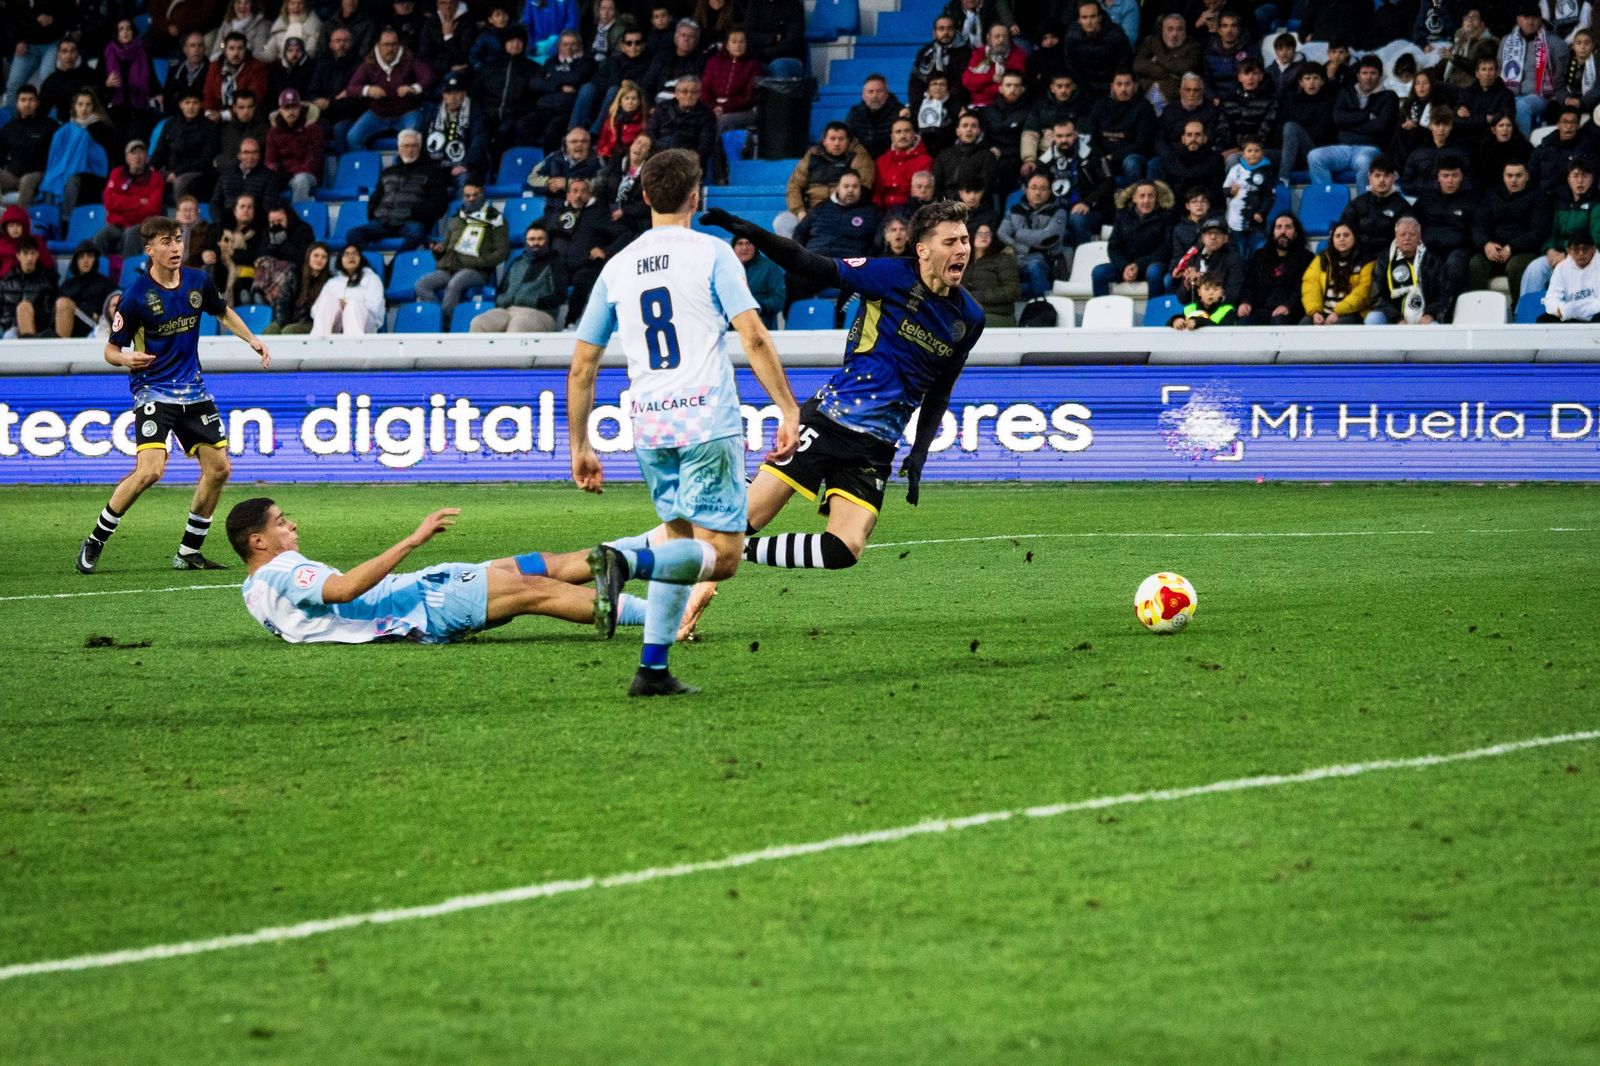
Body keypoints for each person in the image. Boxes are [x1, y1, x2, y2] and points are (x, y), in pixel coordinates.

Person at [568, 148, 802, 696]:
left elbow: (583, 365)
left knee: (678, 537)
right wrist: (788, 409)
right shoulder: (713, 253)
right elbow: (754, 336)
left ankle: (652, 669)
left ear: (645, 197)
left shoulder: (617, 267)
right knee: (723, 556)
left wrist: (580, 443)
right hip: (707, 421)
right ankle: (624, 558)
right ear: (697, 196)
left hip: (650, 425)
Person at [689, 198, 982, 632]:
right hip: (828, 420)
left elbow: (941, 389)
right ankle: (670, 573)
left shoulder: (969, 318)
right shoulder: (888, 275)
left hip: (877, 446)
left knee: (844, 548)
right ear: (922, 249)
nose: (962, 249)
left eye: (965, 240)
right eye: (950, 241)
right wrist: (750, 230)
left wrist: (919, 454)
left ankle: (739, 554)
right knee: (740, 520)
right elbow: (811, 263)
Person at [75, 215, 272, 575]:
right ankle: (97, 538)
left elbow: (223, 312)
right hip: (153, 390)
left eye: (178, 240)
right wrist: (124, 357)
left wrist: (252, 339)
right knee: (150, 471)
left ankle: (189, 551)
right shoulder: (135, 298)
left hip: (194, 391)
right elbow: (109, 350)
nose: (175, 247)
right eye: (165, 242)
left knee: (219, 468)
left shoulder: (197, 281)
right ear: (149, 250)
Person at [229, 501, 618, 644]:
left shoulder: (253, 591)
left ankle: (633, 559)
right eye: (280, 523)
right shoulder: (281, 570)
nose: (292, 526)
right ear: (258, 542)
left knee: (529, 565)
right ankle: (662, 617)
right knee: (536, 588)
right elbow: (345, 589)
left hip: (419, 595)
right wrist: (412, 540)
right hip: (422, 605)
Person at [417, 183, 510, 327]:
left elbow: (502, 252)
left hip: (476, 271)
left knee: (455, 284)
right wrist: (438, 251)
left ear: (482, 194)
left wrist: (478, 261)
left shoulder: (495, 219)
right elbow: (444, 251)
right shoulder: (455, 219)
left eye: (475, 195)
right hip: (449, 268)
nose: (471, 199)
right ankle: (437, 321)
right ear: (462, 197)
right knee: (422, 285)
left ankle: (447, 326)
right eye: (467, 196)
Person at [346, 130, 451, 251]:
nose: (410, 150)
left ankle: (394, 265)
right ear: (399, 148)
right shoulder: (388, 171)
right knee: (353, 234)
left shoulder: (433, 172)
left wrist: (414, 212)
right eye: (406, 146)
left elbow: (439, 206)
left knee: (417, 234)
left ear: (420, 147)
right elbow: (375, 199)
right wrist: (375, 215)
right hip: (383, 222)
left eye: (414, 145)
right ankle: (371, 262)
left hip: (410, 223)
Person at [789, 170, 882, 304]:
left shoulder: (873, 213)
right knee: (792, 277)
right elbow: (800, 232)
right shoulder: (821, 208)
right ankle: (795, 321)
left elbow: (877, 244)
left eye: (855, 186)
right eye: (846, 186)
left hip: (847, 267)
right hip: (817, 262)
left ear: (860, 189)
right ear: (838, 188)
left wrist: (863, 262)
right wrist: (801, 255)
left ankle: (841, 320)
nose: (850, 190)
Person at [1308, 55, 1399, 191]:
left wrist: (1349, 124)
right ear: (1358, 75)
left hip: (1370, 149)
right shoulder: (1346, 92)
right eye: (1364, 73)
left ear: (1380, 75)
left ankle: (1364, 207)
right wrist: (1367, 115)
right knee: (1315, 156)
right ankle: (1328, 201)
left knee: (1364, 162)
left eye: (1373, 73)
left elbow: (1380, 126)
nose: (1368, 77)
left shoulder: (1389, 96)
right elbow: (1338, 119)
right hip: (1342, 148)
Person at [343, 28, 434, 151]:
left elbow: (428, 77)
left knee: (412, 138)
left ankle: (403, 167)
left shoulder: (409, 60)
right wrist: (368, 90)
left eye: (393, 44)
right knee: (353, 138)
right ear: (378, 46)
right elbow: (351, 88)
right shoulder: (369, 63)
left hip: (406, 113)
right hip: (377, 114)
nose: (390, 49)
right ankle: (371, 168)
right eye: (386, 45)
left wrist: (412, 88)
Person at [1468, 159, 1550, 294]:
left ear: (1527, 176)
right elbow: (1479, 224)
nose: (1514, 180)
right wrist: (1486, 244)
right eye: (1509, 175)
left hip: (1523, 250)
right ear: (1503, 177)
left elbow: (1539, 232)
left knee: (1516, 267)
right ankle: (1480, 309)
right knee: (1475, 264)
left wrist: (1511, 247)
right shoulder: (1491, 195)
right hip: (1494, 249)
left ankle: (1517, 311)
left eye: (1518, 175)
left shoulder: (1538, 196)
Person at [1519, 158, 1599, 298]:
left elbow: (1596, 238)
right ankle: (1527, 315)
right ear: (1568, 179)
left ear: (1592, 179)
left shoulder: (1596, 204)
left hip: (1584, 256)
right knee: (1535, 269)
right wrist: (1550, 250)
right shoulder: (1559, 203)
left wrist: (1570, 256)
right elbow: (1550, 232)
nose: (1580, 180)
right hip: (1558, 255)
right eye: (1575, 175)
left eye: (1585, 176)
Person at [469, 221, 567, 331]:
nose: (536, 243)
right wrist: (504, 299)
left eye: (540, 239)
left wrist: (533, 301)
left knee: (518, 325)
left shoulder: (555, 262)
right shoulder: (517, 262)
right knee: (478, 323)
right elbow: (501, 290)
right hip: (508, 309)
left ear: (547, 241)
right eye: (532, 239)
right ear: (526, 241)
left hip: (540, 313)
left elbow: (560, 295)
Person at [783, 123, 877, 233]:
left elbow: (862, 188)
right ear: (824, 141)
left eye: (841, 139)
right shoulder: (812, 155)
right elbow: (794, 185)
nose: (837, 143)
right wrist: (800, 212)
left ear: (848, 141)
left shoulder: (858, 156)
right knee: (782, 223)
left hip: (843, 211)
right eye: (832, 139)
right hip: (811, 210)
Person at [1412, 155, 1479, 306]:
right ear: (1438, 177)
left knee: (1453, 265)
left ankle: (1450, 309)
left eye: (1454, 175)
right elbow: (1413, 225)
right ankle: (1425, 310)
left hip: (1459, 249)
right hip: (1430, 248)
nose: (1450, 180)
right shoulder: (1425, 200)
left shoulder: (1473, 200)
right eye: (1445, 176)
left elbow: (1477, 229)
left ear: (1461, 177)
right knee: (1424, 265)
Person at [92, 139, 168, 263]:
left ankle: (128, 275)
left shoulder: (156, 178)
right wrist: (139, 202)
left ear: (147, 157)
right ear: (127, 157)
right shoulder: (117, 174)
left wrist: (122, 206)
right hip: (117, 224)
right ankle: (101, 275)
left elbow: (153, 209)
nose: (137, 157)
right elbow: (109, 203)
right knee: (99, 238)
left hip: (142, 226)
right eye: (133, 153)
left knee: (131, 234)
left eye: (141, 153)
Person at [1094, 179, 1174, 294]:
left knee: (1154, 272)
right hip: (1126, 267)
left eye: (1150, 196)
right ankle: (1103, 310)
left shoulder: (1166, 217)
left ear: (1156, 198)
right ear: (1134, 198)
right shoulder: (1122, 216)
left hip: (1152, 265)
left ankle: (1154, 310)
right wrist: (1124, 267)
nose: (1146, 200)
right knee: (1099, 272)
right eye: (1142, 196)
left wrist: (1138, 265)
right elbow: (1113, 246)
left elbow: (1166, 249)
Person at [1500, 3, 1568, 135]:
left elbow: (1560, 75)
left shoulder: (1554, 43)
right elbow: (1500, 69)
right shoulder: (1506, 41)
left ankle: (1522, 148)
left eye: (1535, 18)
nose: (1530, 22)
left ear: (1540, 19)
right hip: (1510, 93)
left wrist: (1555, 94)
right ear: (1518, 20)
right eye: (1526, 17)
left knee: (1520, 106)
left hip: (1540, 95)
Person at [998, 172, 1068, 299]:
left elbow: (1047, 239)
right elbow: (1002, 234)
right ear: (1026, 190)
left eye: (1043, 188)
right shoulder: (1014, 210)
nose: (1037, 193)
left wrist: (1018, 233)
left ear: (1049, 191)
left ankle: (1041, 305)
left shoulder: (1059, 212)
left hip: (1047, 262)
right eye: (1034, 188)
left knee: (1035, 265)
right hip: (1018, 258)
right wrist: (1023, 248)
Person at [1085, 69, 1157, 185]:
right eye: (1119, 84)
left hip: (1131, 155)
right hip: (1102, 154)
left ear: (1135, 85)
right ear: (1112, 86)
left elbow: (1142, 144)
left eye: (1127, 84)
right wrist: (1101, 155)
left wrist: (1113, 156)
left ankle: (1128, 198)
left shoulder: (1144, 107)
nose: (1123, 89)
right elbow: (1089, 135)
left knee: (1131, 163)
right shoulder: (1100, 105)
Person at [1239, 212, 1313, 325]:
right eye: (1279, 227)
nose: (1283, 232)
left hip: (1291, 311)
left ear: (1296, 233)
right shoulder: (1259, 256)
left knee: (1279, 321)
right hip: (1261, 310)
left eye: (1288, 227)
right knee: (1244, 322)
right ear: (1273, 232)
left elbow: (1302, 288)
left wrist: (1288, 305)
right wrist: (1245, 302)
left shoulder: (1306, 258)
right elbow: (1249, 283)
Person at [1301, 220, 1374, 324]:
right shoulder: (1322, 259)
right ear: (1332, 240)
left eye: (1346, 235)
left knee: (1340, 325)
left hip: (1353, 313)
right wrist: (1315, 312)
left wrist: (1337, 312)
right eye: (1337, 236)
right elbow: (1310, 286)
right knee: (1305, 323)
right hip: (1323, 313)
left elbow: (1363, 292)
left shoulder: (1366, 261)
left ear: (1355, 237)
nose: (1341, 239)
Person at [1339, 156, 1408, 264]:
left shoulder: (1403, 207)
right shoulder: (1356, 204)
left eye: (1386, 175)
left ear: (1393, 178)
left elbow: (1406, 240)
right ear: (1369, 177)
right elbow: (1345, 231)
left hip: (1389, 262)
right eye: (1377, 175)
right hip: (1358, 260)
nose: (1382, 180)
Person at [0, 86, 58, 208]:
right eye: (23, 100)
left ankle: (21, 221)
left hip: (38, 174)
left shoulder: (50, 126)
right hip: (13, 175)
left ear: (37, 103)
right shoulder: (9, 127)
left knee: (27, 180)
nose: (27, 104)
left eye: (31, 100)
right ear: (17, 103)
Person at [310, 242, 385, 335]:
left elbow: (375, 308)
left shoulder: (372, 278)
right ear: (341, 260)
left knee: (353, 305)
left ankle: (353, 346)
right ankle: (319, 341)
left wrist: (348, 305)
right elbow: (316, 310)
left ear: (360, 258)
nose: (351, 257)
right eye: (346, 254)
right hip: (337, 325)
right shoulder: (332, 282)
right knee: (328, 301)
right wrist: (337, 305)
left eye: (354, 254)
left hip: (364, 323)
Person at [264, 88, 325, 203]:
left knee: (300, 180)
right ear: (280, 110)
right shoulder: (273, 132)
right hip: (283, 174)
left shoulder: (313, 129)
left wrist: (290, 174)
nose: (291, 112)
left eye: (294, 107)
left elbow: (314, 163)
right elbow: (270, 161)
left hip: (308, 175)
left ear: (300, 108)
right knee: (264, 180)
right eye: (286, 108)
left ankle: (298, 217)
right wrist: (279, 173)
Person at [1062, 0, 1132, 97]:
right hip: (1084, 87)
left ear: (1100, 17)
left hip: (1112, 86)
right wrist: (1084, 88)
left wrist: (1114, 86)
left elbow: (1124, 63)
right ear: (1078, 20)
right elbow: (1071, 65)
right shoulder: (1072, 37)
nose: (1089, 21)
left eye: (1093, 16)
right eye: (1084, 17)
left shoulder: (1116, 35)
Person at [1134, 13, 1205, 105]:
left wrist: (1156, 59)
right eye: (1170, 29)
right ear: (1163, 30)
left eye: (1179, 29)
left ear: (1185, 31)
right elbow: (1138, 65)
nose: (1174, 34)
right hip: (1145, 89)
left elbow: (1186, 68)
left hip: (1172, 96)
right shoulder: (1151, 41)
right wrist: (1165, 72)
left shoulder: (1193, 47)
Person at [642, 75, 716, 161]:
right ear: (676, 94)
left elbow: (705, 146)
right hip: (658, 156)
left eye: (694, 92)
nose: (689, 95)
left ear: (699, 94)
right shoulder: (663, 108)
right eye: (684, 91)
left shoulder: (706, 115)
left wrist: (687, 159)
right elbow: (650, 132)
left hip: (685, 161)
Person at [211, 137, 282, 228]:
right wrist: (221, 224)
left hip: (255, 228)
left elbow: (268, 207)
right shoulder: (226, 174)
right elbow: (215, 203)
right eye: (246, 152)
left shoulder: (269, 177)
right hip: (226, 224)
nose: (250, 156)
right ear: (239, 155)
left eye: (254, 152)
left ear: (259, 155)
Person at [526, 125, 602, 209]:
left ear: (589, 143)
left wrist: (568, 184)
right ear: (566, 144)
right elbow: (532, 179)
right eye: (574, 141)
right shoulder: (553, 157)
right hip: (555, 209)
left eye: (584, 141)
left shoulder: (598, 160)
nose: (579, 145)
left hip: (586, 209)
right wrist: (549, 183)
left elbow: (602, 184)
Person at [1175, 216, 1245, 306]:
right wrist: (1187, 285)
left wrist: (1202, 280)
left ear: (1225, 238)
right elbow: (1182, 299)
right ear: (1202, 238)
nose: (1213, 237)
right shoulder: (1194, 258)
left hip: (1221, 309)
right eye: (1209, 233)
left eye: (1218, 233)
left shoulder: (1234, 259)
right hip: (1197, 310)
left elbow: (1233, 294)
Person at [909, 14, 971, 112]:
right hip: (927, 100)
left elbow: (962, 82)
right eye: (941, 29)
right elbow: (916, 81)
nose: (946, 32)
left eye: (949, 29)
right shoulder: (925, 52)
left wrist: (944, 98)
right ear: (934, 33)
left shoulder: (965, 52)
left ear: (954, 31)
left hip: (955, 103)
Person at [267, 239, 331, 333]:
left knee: (289, 331)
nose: (319, 260)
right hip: (290, 319)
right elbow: (284, 301)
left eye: (324, 257)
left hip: (311, 322)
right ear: (308, 256)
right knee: (271, 330)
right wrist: (283, 322)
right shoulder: (295, 274)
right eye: (316, 255)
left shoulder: (329, 282)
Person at [0, 235, 58, 337]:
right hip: (10, 329)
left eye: (33, 253)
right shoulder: (7, 280)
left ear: (38, 255)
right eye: (26, 254)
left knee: (24, 307)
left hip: (39, 330)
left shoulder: (48, 280)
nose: (30, 258)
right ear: (18, 255)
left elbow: (50, 311)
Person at [203, 32, 270, 120]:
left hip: (246, 117)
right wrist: (208, 112)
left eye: (240, 48)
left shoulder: (256, 68)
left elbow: (255, 98)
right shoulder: (215, 66)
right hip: (217, 114)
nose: (236, 53)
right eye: (231, 48)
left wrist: (224, 115)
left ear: (245, 49)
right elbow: (208, 93)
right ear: (225, 50)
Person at [964, 221, 1020, 326]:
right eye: (980, 233)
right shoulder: (964, 261)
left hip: (997, 314)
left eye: (988, 234)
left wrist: (979, 296)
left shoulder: (1003, 259)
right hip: (969, 313)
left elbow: (1013, 291)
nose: (984, 236)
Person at [55, 241, 114, 337]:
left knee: (63, 303)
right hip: (71, 325)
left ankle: (61, 349)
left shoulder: (106, 283)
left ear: (95, 259)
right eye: (81, 257)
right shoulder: (67, 285)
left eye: (90, 256)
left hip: (95, 327)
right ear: (76, 261)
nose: (85, 260)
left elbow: (115, 305)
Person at [875, 118, 934, 213]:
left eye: (907, 131)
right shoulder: (881, 161)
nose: (902, 136)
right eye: (898, 132)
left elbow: (922, 194)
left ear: (914, 135)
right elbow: (876, 193)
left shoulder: (925, 161)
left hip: (911, 211)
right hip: (882, 212)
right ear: (892, 137)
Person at [963, 23, 1027, 107]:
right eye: (997, 36)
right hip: (977, 104)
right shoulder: (980, 53)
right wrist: (991, 78)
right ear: (989, 38)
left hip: (1005, 105)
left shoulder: (1018, 54)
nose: (1001, 40)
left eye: (1005, 36)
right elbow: (967, 81)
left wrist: (978, 89)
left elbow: (1011, 87)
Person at [1539, 233, 1600, 320]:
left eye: (1585, 249)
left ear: (1593, 249)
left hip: (1593, 314)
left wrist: (1572, 310)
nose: (1581, 253)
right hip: (1569, 315)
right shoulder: (1561, 268)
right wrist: (1559, 309)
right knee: (1544, 319)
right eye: (1576, 249)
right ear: (1568, 250)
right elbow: (1551, 298)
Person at [847, 74, 906, 161]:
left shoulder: (900, 112)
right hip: (862, 160)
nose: (875, 96)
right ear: (863, 95)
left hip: (892, 160)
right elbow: (847, 139)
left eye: (879, 91)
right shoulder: (854, 113)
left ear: (887, 94)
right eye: (870, 92)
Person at [732, 234, 784, 328]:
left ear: (755, 247)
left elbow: (779, 299)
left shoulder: (769, 267)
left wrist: (758, 307)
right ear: (733, 248)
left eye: (749, 243)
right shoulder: (724, 269)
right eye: (740, 243)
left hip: (760, 323)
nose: (744, 247)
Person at [1170, 274, 1236, 328]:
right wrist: (1175, 321)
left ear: (1221, 292)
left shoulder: (1228, 310)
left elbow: (1223, 334)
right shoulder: (1190, 308)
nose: (1211, 293)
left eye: (1215, 289)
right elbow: (1168, 325)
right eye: (1206, 289)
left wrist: (1198, 322)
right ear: (1199, 292)